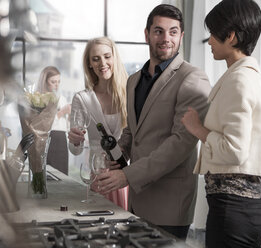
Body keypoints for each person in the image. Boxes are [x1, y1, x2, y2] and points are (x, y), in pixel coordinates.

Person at [96, 4, 211, 240]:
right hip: (137, 202)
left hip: (169, 204)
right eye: (158, 31)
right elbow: (134, 129)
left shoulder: (193, 78)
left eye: (173, 32)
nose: (166, 38)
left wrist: (128, 176)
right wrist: (118, 152)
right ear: (146, 34)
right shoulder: (134, 80)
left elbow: (181, 143)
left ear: (182, 36)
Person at [181, 0, 261, 247]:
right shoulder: (240, 76)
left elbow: (235, 150)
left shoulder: (239, 80)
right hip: (241, 205)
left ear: (232, 36)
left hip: (235, 207)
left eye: (214, 33)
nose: (210, 41)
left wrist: (197, 129)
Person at [67, 37, 129, 210]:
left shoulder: (131, 93)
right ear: (89, 65)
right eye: (96, 59)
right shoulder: (82, 98)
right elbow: (75, 150)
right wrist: (75, 140)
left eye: (107, 56)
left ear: (114, 58)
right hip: (99, 178)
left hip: (128, 176)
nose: (103, 63)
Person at [36, 66, 71, 175]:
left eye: (58, 81)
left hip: (62, 140)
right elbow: (41, 125)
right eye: (53, 82)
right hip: (49, 139)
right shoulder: (39, 99)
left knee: (62, 174)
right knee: (48, 174)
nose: (57, 85)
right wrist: (61, 113)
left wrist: (69, 115)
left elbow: (66, 125)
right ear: (45, 82)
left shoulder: (62, 98)